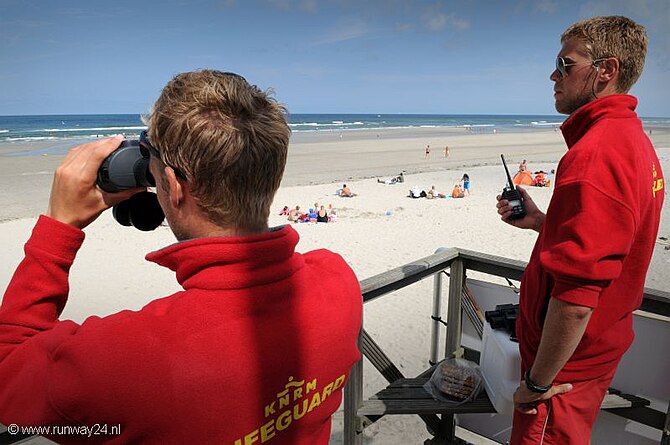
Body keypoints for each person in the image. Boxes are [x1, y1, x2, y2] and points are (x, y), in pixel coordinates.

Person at [0, 70, 363, 444]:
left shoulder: (120, 361)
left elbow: (7, 372)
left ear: (172, 186)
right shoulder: (337, 282)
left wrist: (59, 226)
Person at [495, 17, 664, 444]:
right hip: (588, 356)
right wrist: (541, 223)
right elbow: (610, 243)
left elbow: (576, 301)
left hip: (561, 376)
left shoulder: (595, 154)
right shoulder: (630, 138)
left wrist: (535, 384)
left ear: (606, 70)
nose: (553, 75)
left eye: (565, 64)